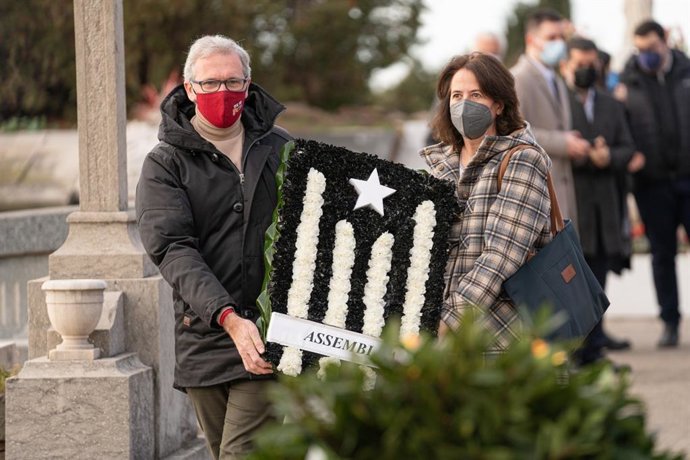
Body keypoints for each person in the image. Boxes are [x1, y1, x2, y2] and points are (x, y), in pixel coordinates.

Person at [135, 35, 291, 458]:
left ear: (249, 83)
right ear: (189, 89)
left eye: (232, 81)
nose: (222, 92)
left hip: (265, 336)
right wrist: (226, 317)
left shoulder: (282, 150)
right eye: (209, 83)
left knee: (240, 454)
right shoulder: (165, 164)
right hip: (203, 337)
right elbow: (172, 248)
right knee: (224, 451)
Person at [421, 52, 552, 351]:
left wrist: (448, 323)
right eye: (457, 95)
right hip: (441, 334)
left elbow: (501, 255)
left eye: (476, 94)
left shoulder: (522, 160)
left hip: (501, 335)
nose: (463, 104)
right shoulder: (441, 165)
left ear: (498, 104)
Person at [560, 37, 637, 363]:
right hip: (573, 205)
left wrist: (610, 156)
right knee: (569, 284)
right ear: (566, 65)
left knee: (597, 282)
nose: (587, 70)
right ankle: (573, 353)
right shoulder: (560, 102)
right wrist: (587, 154)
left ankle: (594, 349)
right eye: (580, 64)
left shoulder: (610, 104)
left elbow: (627, 148)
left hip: (604, 206)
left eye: (592, 64)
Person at [617, 20, 690, 347]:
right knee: (662, 255)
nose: (646, 55)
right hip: (652, 184)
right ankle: (670, 321)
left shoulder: (686, 71)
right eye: (640, 49)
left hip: (688, 177)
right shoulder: (627, 82)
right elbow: (620, 127)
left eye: (651, 49)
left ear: (665, 42)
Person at [511, 8, 590, 231]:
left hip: (562, 191)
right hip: (537, 195)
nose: (558, 43)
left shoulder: (556, 79)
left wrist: (571, 141)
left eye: (561, 37)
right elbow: (514, 130)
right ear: (530, 39)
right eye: (551, 38)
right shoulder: (517, 78)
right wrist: (563, 143)